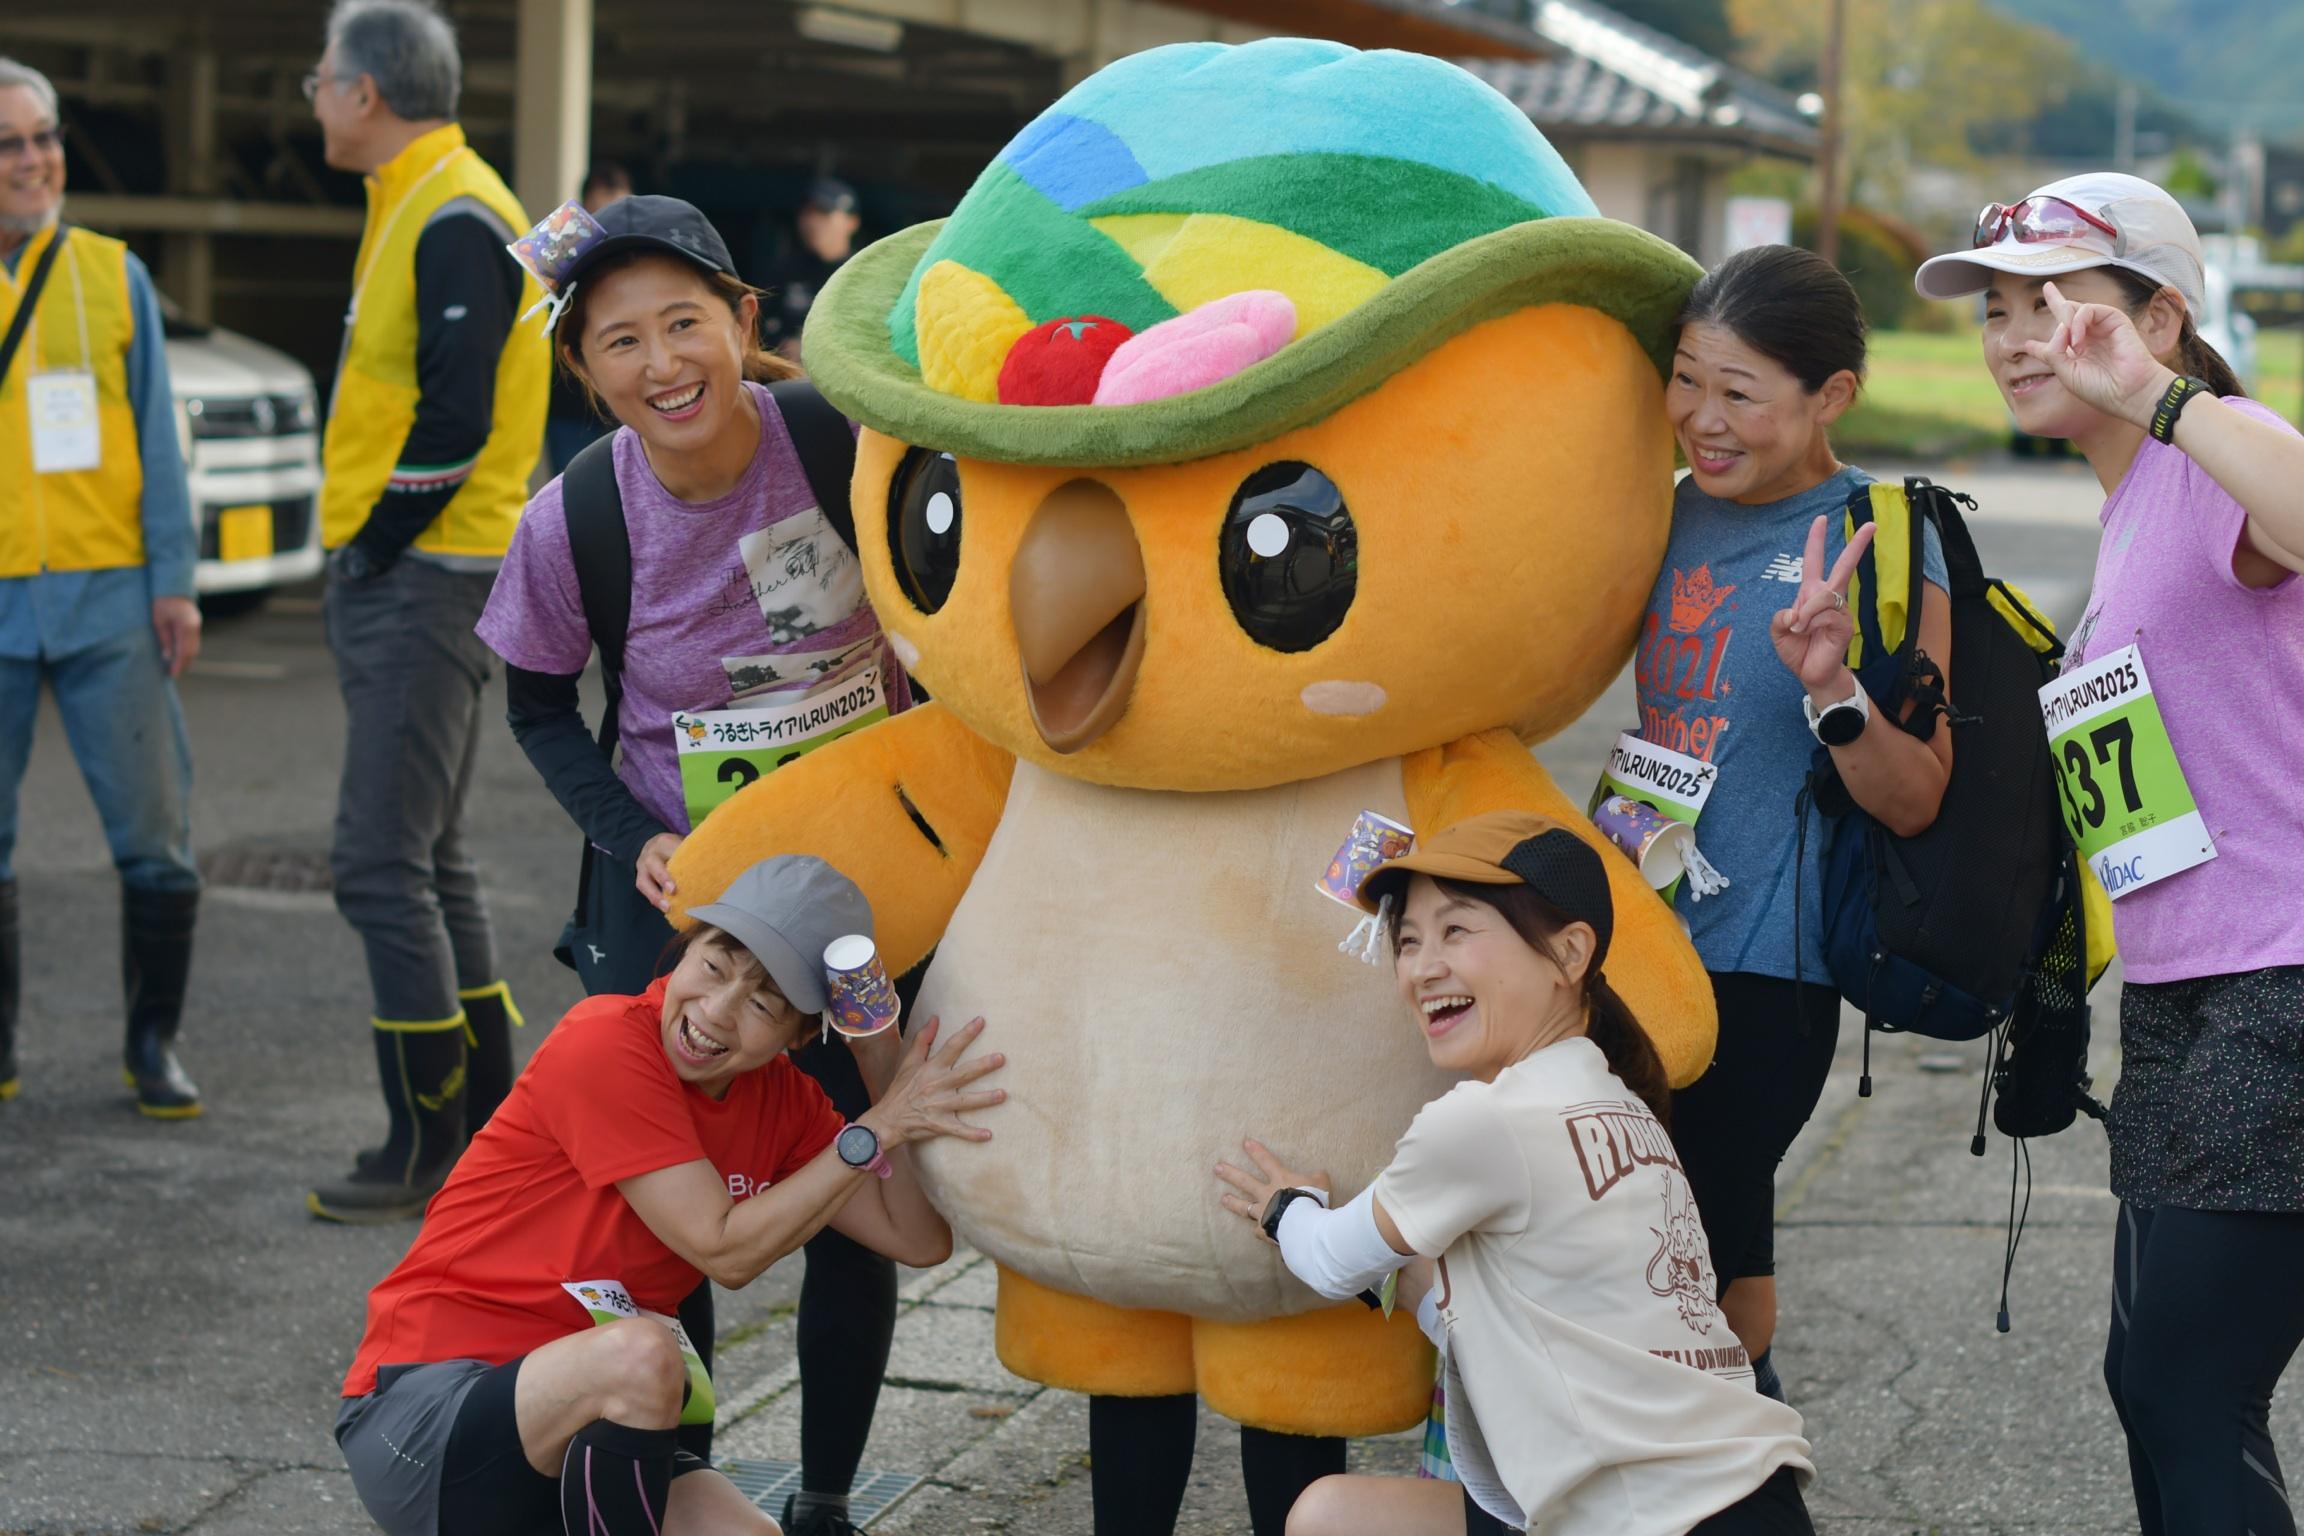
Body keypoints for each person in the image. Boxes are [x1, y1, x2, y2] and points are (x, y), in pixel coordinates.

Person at [477, 193, 913, 1536]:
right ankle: (679, 1490)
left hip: (861, 888)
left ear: (742, 320)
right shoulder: (573, 521)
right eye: (621, 341)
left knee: (852, 1188)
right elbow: (537, 707)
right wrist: (635, 837)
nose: (662, 365)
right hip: (680, 901)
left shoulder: (841, 442)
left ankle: (826, 1496)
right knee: (667, 1217)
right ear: (583, 367)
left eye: (684, 324)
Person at [1916, 171, 2304, 1536]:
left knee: (2190, 1391)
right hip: (2189, 989)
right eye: (1996, 311)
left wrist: (2164, 398)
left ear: (2161, 316)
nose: (2017, 338)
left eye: (2054, 305)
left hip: (2279, 983)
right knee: (2151, 1384)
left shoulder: (2214, 453)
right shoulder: (2133, 498)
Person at [334, 854, 1007, 1536]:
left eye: (763, 1005)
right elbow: (724, 1250)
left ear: (803, 1035)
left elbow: (918, 1239)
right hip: (427, 1415)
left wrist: (879, 1056)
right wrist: (876, 1130)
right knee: (642, 1355)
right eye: (713, 966)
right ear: (684, 949)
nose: (716, 1010)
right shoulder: (604, 1039)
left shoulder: (786, 1103)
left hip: (585, 1420)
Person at [1214, 813, 1814, 1534]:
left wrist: (1289, 1210)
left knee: (1323, 1518)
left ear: (1568, 953)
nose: (1422, 968)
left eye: (1456, 931)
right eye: (1408, 941)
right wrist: (1403, 1279)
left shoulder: (1486, 1120)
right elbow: (1515, 1326)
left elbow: (1331, 1260)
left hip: (1659, 1518)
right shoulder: (1626, 1108)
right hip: (1752, 1501)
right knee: (1332, 1516)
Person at [1641, 245, 1953, 1400]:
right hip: (1639, 938)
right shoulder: (1662, 511)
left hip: (1769, 972)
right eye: (1686, 380)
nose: (1701, 418)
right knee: (1707, 1267)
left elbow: (1918, 793)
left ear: (1832, 396)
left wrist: (1833, 689)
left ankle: (1746, 1476)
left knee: (1692, 1272)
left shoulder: (1883, 537)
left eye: (1739, 392)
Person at [304, 0, 547, 1221]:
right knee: (433, 856)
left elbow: (454, 420)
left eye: (319, 79)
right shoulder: (430, 198)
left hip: (426, 574)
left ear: (366, 92)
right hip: (436, 571)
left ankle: (422, 1143)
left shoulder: (452, 213)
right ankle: (481, 1133)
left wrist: (370, 547)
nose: (311, 97)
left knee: (378, 862)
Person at [0, 57, 204, 1117]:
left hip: (110, 595)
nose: (34, 159)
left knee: (156, 837)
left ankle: (152, 1043)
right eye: (9, 143)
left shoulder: (111, 273)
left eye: (45, 136)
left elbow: (159, 442)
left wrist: (174, 581)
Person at [542, 161, 632, 475]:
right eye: (600, 214)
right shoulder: (560, 247)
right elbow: (548, 318)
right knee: (570, 492)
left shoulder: (637, 252)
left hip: (620, 404)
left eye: (617, 211)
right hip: (570, 406)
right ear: (584, 210)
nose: (608, 225)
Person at [758, 178, 859, 361]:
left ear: (851, 222)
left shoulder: (863, 272)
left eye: (824, 213)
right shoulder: (784, 270)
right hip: (790, 372)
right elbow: (758, 327)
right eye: (807, 213)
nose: (813, 222)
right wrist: (783, 345)